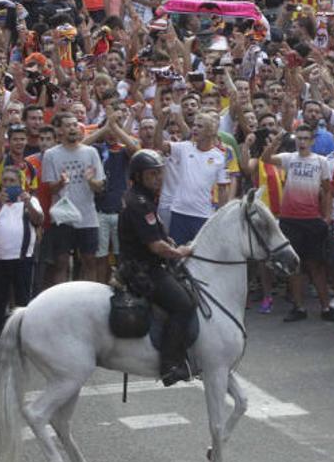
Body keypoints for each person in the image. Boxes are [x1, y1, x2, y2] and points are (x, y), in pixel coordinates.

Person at [117, 150, 194, 386]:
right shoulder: (139, 202)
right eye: (152, 174)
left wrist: (170, 243)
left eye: (160, 173)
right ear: (138, 176)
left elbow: (158, 235)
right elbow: (155, 246)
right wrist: (180, 251)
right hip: (143, 269)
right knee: (184, 305)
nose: (158, 178)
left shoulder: (146, 197)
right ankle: (170, 364)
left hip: (149, 263)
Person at [265, 125, 334, 322]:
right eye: (299, 138)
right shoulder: (289, 158)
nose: (302, 142)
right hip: (290, 219)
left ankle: (326, 307)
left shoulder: (321, 161)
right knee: (294, 266)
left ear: (312, 141)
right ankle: (299, 307)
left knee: (317, 266)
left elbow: (328, 190)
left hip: (312, 219)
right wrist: (275, 142)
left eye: (306, 138)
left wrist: (327, 216)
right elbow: (266, 159)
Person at [0, 166, 44, 357]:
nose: (8, 185)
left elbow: (39, 219)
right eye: (5, 181)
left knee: (23, 299)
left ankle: (22, 340)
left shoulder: (31, 199)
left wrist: (28, 204)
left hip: (22, 258)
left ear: (20, 183)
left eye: (12, 181)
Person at [41, 113, 106, 285]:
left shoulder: (91, 152)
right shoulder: (51, 155)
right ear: (60, 130)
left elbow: (100, 186)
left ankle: (89, 300)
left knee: (89, 260)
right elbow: (50, 187)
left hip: (88, 217)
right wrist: (61, 182)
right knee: (61, 263)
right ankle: (60, 303)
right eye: (68, 125)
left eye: (75, 125)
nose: (72, 128)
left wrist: (91, 180)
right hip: (63, 217)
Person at [153, 111, 231, 245]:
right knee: (176, 257)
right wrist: (160, 122)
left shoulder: (220, 156)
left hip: (203, 216)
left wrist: (220, 215)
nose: (194, 128)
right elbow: (159, 144)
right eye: (194, 125)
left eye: (200, 126)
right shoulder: (184, 148)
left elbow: (223, 188)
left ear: (210, 131)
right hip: (179, 213)